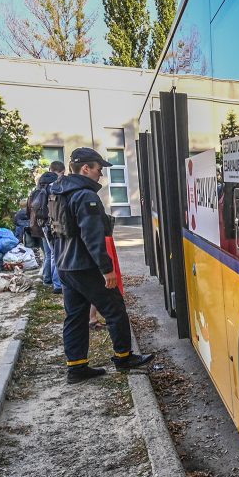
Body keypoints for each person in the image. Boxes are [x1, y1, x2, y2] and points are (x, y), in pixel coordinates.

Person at [50, 147, 153, 383]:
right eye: (98, 169)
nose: (101, 175)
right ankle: (124, 357)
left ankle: (76, 368)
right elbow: (93, 237)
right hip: (85, 266)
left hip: (65, 265)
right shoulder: (86, 196)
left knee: (75, 315)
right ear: (85, 168)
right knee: (114, 308)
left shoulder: (58, 191)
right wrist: (107, 270)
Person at [29, 168, 64, 293]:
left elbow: (30, 211)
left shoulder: (36, 192)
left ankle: (47, 279)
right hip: (50, 226)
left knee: (48, 254)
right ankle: (58, 284)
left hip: (40, 226)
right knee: (55, 254)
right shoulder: (50, 192)